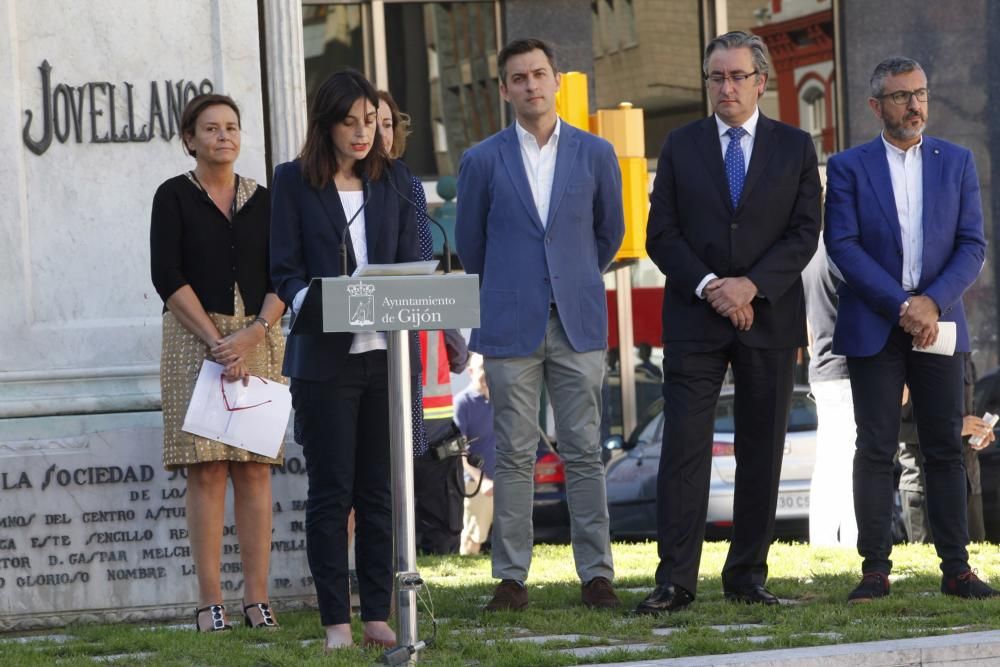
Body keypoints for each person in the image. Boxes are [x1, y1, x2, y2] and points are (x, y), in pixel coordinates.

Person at [637, 31, 821, 615]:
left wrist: (751, 286)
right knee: (684, 450)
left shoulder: (794, 146)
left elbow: (804, 232)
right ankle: (676, 582)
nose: (726, 87)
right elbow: (660, 234)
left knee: (761, 449)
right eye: (716, 77)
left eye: (737, 76)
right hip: (695, 316)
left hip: (768, 317)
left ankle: (747, 575)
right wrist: (713, 286)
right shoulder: (680, 144)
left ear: (760, 82)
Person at [455, 37, 625, 611]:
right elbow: (471, 245)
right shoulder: (480, 160)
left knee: (583, 449)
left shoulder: (597, 154)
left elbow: (610, 234)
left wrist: (568, 276)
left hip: (577, 318)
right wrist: (521, 281)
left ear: (556, 80)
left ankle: (596, 574)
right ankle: (511, 578)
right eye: (518, 78)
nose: (531, 85)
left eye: (539, 74)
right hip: (509, 321)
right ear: (504, 90)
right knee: (513, 452)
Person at [824, 56, 998, 601]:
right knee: (875, 447)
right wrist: (904, 305)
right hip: (876, 324)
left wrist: (931, 303)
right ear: (876, 105)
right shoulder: (849, 166)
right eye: (901, 96)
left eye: (920, 92)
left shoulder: (957, 161)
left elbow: (973, 245)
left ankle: (957, 569)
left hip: (939, 324)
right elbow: (843, 246)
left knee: (946, 446)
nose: (914, 104)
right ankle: (875, 568)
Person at [269, 69, 420, 650]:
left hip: (385, 356)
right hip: (325, 360)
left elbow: (408, 261)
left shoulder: (396, 180)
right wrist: (321, 301)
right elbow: (283, 269)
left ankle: (378, 614)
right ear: (326, 123)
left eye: (370, 123)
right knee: (332, 493)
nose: (363, 134)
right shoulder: (293, 182)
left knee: (379, 492)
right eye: (350, 123)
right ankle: (336, 621)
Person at [150, 94, 285, 631]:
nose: (223, 136)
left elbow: (285, 274)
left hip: (259, 336)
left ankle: (257, 600)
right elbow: (166, 274)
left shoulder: (265, 199)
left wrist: (253, 335)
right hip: (193, 338)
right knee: (206, 470)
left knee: (254, 470)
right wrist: (216, 341)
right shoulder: (173, 196)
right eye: (210, 128)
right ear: (190, 139)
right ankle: (210, 603)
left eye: (231, 127)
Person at [375, 89, 471, 554]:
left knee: (430, 528)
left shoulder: (409, 189)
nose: (378, 133)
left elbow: (453, 346)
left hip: (427, 418)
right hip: (375, 383)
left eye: (388, 123)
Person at [898, 354, 992, 543]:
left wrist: (980, 432)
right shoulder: (906, 353)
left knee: (976, 565)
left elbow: (967, 416)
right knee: (928, 567)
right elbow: (895, 429)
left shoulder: (964, 356)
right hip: (924, 487)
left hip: (969, 482)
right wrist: (954, 428)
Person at [803, 238, 858, 547]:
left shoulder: (810, 255)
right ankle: (852, 540)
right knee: (855, 458)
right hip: (850, 367)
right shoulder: (845, 252)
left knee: (828, 461)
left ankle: (823, 540)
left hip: (822, 367)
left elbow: (808, 326)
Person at [454, 353, 497, 555]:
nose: (487, 372)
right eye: (482, 367)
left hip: (504, 481)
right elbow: (460, 451)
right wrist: (482, 481)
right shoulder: (463, 403)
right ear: (470, 371)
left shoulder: (501, 399)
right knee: (473, 540)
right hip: (478, 484)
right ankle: (464, 582)